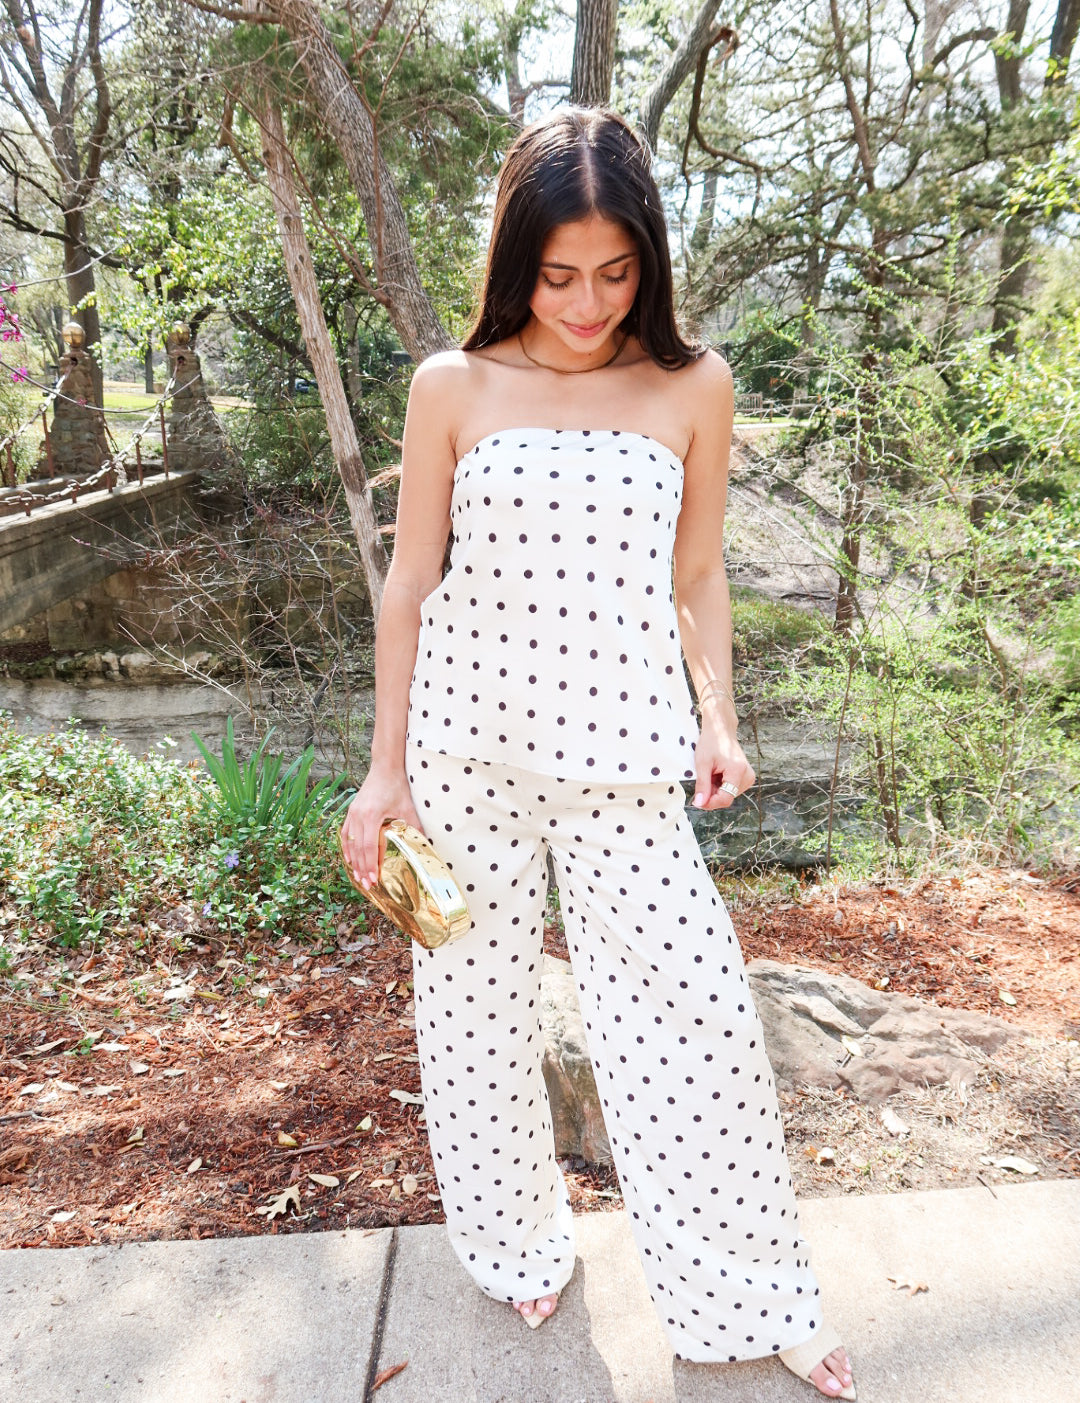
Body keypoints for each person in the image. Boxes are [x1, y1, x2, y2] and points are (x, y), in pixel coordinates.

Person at [340, 106, 856, 1400]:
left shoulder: (692, 385)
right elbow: (409, 584)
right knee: (473, 1019)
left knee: (700, 1028)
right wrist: (385, 772)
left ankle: (750, 1293)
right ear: (517, 261)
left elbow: (697, 575)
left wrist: (719, 718)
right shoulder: (452, 386)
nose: (585, 304)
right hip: (463, 760)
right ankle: (516, 1241)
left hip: (627, 765)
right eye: (558, 275)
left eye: (615, 273)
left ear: (649, 260)